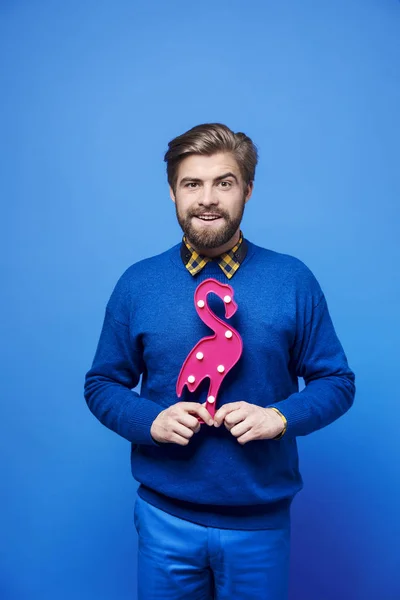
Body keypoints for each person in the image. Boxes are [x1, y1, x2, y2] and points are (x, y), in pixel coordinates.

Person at [84, 123, 356, 600]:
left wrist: (279, 415)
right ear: (172, 192)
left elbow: (336, 381)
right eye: (193, 183)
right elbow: (102, 383)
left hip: (259, 524)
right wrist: (151, 421)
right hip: (165, 518)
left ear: (247, 190)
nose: (207, 198)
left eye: (223, 182)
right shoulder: (138, 284)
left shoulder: (292, 280)